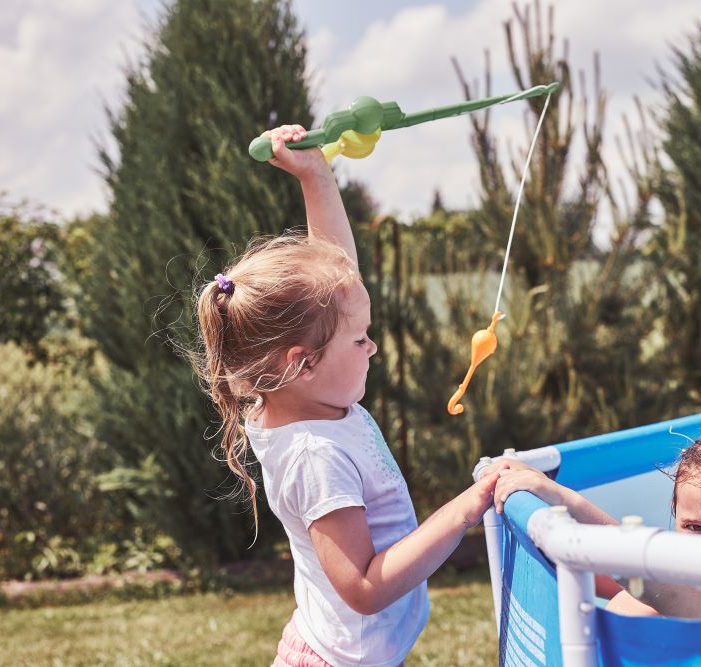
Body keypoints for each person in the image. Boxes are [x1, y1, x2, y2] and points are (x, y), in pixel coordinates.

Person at [194, 125, 501, 667]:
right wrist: (464, 509)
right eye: (360, 339)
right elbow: (361, 587)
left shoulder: (302, 400)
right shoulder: (316, 455)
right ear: (303, 362)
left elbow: (336, 279)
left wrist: (316, 176)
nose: (373, 347)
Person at [490, 427, 701, 619]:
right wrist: (560, 498)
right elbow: (616, 577)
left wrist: (569, 503)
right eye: (693, 527)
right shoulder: (677, 580)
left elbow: (661, 590)